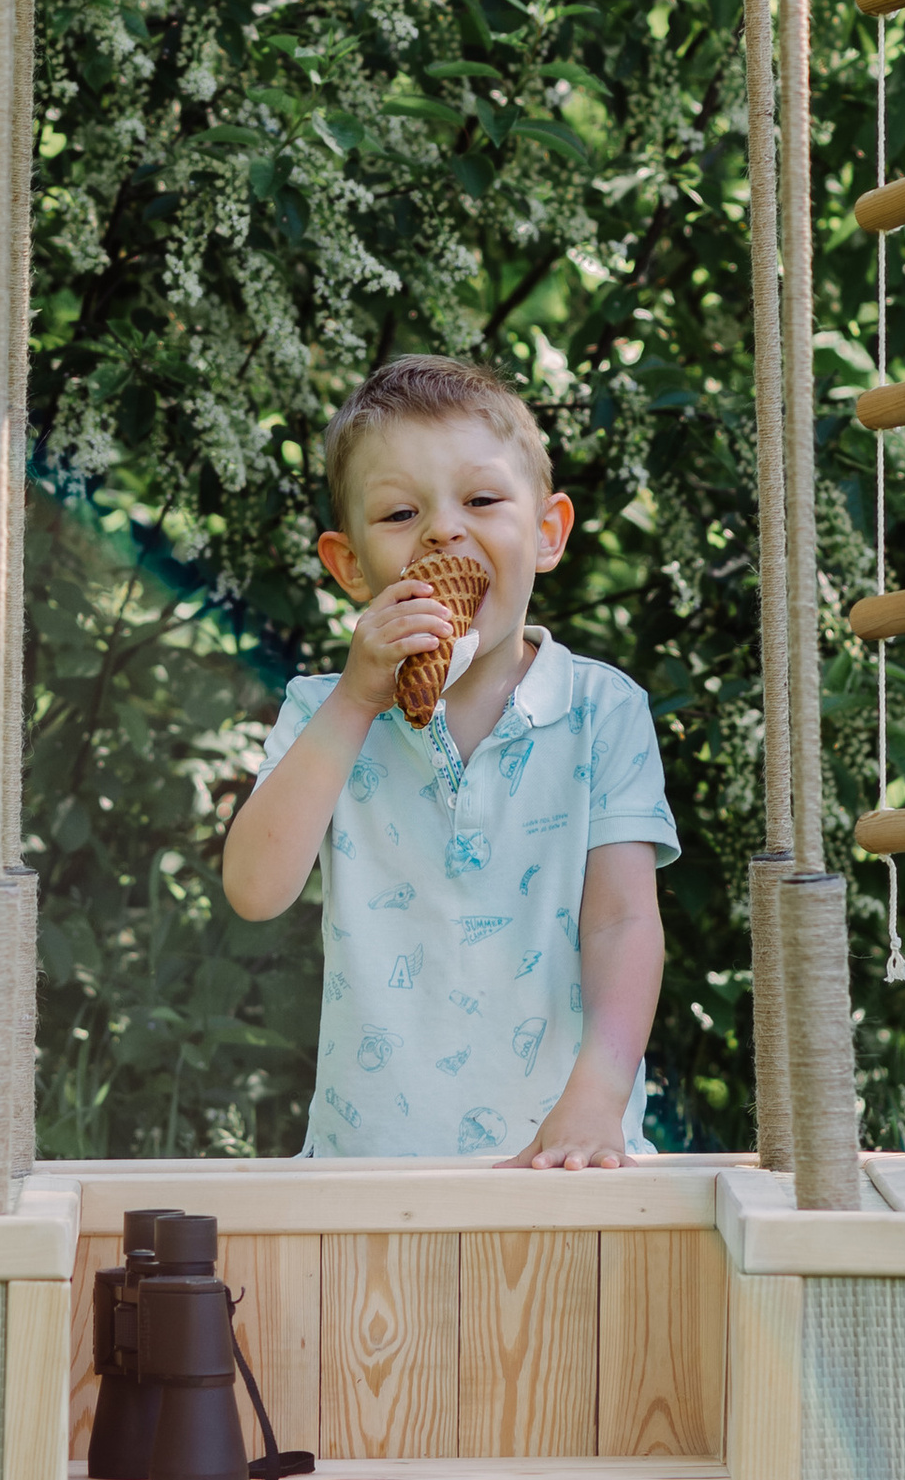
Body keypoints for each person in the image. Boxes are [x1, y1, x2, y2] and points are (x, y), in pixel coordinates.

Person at [222, 354, 676, 1164]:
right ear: (351, 565)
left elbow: (623, 921)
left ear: (546, 533)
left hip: (568, 1158)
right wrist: (358, 700)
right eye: (400, 513)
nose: (442, 530)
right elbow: (256, 891)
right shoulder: (320, 711)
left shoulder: (602, 712)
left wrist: (596, 1101)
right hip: (367, 1166)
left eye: (481, 499)